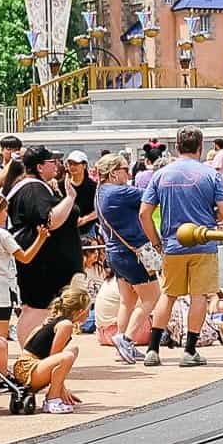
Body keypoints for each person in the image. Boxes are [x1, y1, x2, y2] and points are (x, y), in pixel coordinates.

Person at [140, 127, 223, 368]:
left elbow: (144, 213)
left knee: (168, 295)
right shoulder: (211, 175)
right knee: (199, 296)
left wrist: (157, 241)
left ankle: (153, 349)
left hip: (172, 244)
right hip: (203, 243)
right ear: (201, 147)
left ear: (177, 147)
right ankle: (189, 350)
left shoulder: (161, 175)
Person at [6, 147, 84, 351]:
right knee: (37, 308)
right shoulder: (32, 189)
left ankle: (41, 354)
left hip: (48, 261)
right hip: (40, 262)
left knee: (46, 307)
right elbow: (50, 220)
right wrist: (69, 198)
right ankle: (30, 357)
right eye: (52, 162)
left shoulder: (38, 187)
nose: (57, 165)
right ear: (40, 166)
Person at [0, 192, 48, 375]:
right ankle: (1, 375)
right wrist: (41, 239)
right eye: (5, 211)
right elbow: (25, 258)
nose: (6, 215)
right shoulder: (1, 234)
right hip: (0, 287)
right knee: (0, 338)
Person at [93, 153, 156, 364]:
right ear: (113, 173)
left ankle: (121, 345)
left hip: (115, 253)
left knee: (127, 301)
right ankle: (126, 339)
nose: (128, 174)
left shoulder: (100, 192)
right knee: (151, 297)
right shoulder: (119, 192)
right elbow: (151, 194)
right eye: (124, 169)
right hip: (132, 253)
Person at [14, 281, 88, 414]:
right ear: (81, 312)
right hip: (28, 369)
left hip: (28, 366)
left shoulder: (54, 320)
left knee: (73, 350)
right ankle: (52, 399)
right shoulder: (65, 325)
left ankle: (55, 394)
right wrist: (60, 388)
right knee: (67, 356)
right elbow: (55, 357)